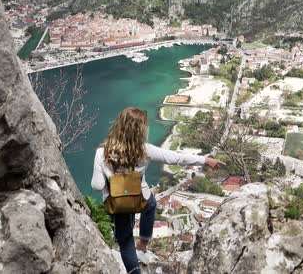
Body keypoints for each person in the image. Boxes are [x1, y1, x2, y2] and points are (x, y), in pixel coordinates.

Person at [91, 107, 222, 273]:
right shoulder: (145, 150)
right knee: (151, 204)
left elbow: (96, 186)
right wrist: (204, 160)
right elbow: (176, 158)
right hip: (140, 198)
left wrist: (111, 178)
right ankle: (144, 245)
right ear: (141, 130)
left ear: (119, 125)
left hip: (117, 204)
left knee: (125, 243)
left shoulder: (101, 153)